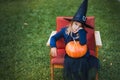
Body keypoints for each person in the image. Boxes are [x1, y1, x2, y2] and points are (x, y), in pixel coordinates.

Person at [50, 0, 100, 80]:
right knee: (70, 63)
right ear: (71, 23)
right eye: (76, 24)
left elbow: (83, 42)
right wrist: (53, 46)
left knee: (84, 63)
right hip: (70, 55)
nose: (76, 27)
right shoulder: (65, 30)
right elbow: (53, 38)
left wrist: (81, 31)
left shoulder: (82, 32)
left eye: (80, 26)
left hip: (83, 55)